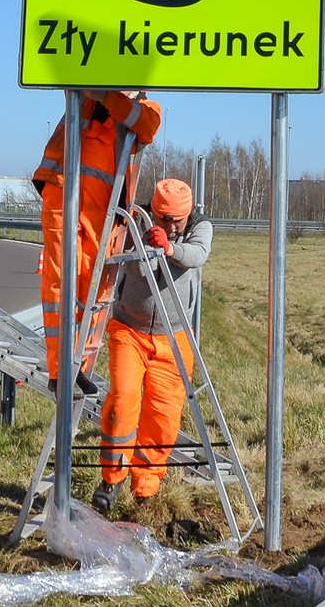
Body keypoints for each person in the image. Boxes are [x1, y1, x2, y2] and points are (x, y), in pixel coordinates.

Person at [94, 176, 213, 513]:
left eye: (176, 221)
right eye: (164, 219)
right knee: (123, 399)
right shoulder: (135, 221)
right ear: (154, 209)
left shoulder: (200, 228)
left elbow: (197, 255)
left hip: (174, 336)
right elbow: (111, 249)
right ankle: (111, 479)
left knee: (163, 415)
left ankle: (145, 487)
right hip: (128, 329)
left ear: (187, 215)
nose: (170, 225)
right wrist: (140, 239)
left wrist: (169, 247)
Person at [32, 91, 161, 390]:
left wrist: (107, 95)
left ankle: (80, 367)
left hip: (102, 209)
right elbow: (70, 84)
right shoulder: (84, 88)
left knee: (92, 288)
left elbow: (146, 126)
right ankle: (61, 369)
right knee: (62, 279)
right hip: (62, 191)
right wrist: (99, 91)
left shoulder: (146, 106)